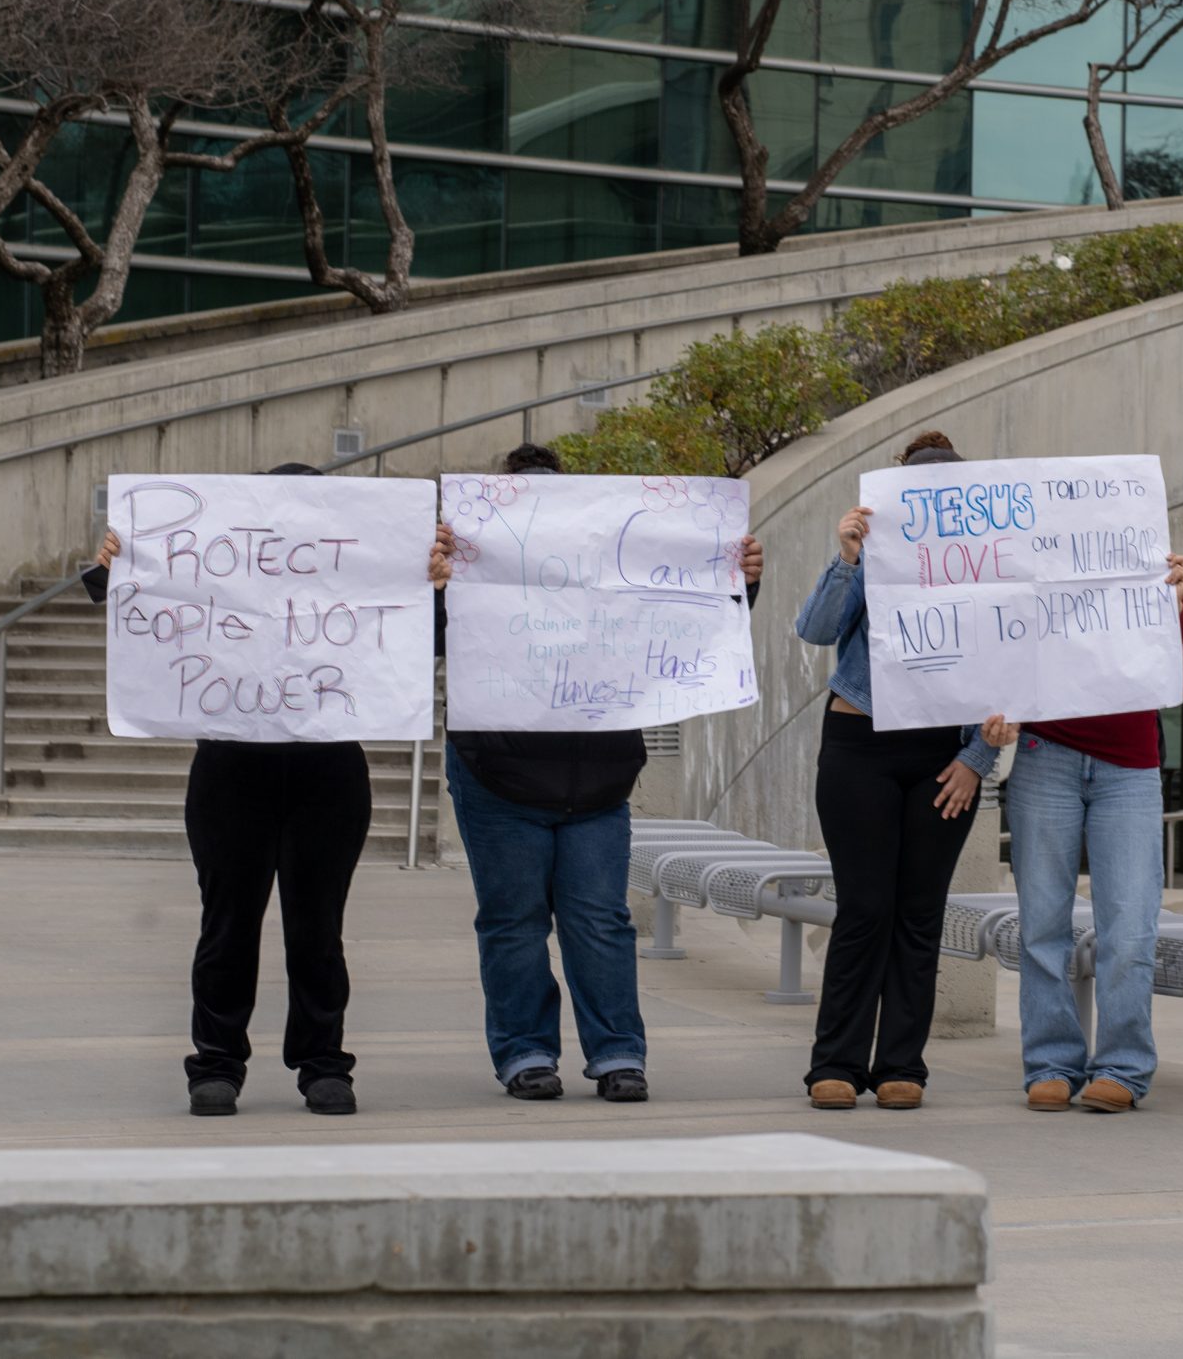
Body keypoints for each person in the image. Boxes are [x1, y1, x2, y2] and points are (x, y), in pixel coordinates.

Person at [428, 442, 762, 1103]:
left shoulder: (613, 559)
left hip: (598, 779)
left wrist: (740, 579)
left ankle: (617, 1055)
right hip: (496, 773)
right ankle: (526, 1053)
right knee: (514, 920)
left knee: (600, 920)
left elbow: (688, 615)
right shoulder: (466, 566)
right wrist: (436, 585)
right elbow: (433, 642)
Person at [85, 462, 381, 1119]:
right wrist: (114, 566)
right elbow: (142, 609)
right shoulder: (219, 565)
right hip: (231, 771)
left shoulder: (356, 571)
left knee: (317, 929)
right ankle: (215, 1064)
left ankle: (323, 1063)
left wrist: (434, 585)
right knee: (226, 927)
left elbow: (419, 635)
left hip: (326, 774)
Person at [793, 429, 1013, 1112]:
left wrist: (978, 760)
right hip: (860, 742)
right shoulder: (873, 550)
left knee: (920, 911)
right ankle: (834, 1061)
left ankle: (901, 1065)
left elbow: (1014, 665)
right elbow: (816, 629)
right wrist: (849, 557)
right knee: (864, 906)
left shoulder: (991, 560)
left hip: (944, 757)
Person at [1006, 539, 1183, 1115]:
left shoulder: (1149, 584)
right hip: (1045, 754)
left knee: (1131, 925)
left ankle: (1123, 1067)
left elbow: (1179, 681)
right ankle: (1051, 1063)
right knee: (1042, 923)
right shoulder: (1031, 579)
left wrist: (1178, 606)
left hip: (1130, 768)